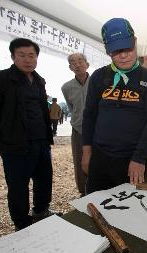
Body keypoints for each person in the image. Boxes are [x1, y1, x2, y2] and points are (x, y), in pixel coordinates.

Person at [0, 38, 58, 230]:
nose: (27, 59)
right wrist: (4, 135)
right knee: (18, 187)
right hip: (15, 146)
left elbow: (41, 110)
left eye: (32, 55)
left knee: (44, 179)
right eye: (21, 55)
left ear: (37, 58)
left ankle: (41, 210)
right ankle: (22, 223)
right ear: (13, 57)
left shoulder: (39, 81)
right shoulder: (0, 79)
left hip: (41, 142)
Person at [82, 18, 147, 193]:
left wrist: (139, 158)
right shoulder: (98, 76)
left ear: (134, 42)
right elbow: (89, 115)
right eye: (116, 51)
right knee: (94, 206)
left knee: (130, 211)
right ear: (108, 51)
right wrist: (87, 152)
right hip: (99, 157)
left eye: (127, 48)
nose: (123, 55)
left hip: (131, 160)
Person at [62, 53, 90, 196]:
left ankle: (98, 188)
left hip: (97, 130)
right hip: (78, 130)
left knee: (98, 159)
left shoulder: (97, 82)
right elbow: (72, 108)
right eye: (73, 62)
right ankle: (83, 191)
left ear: (87, 64)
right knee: (80, 162)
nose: (77, 64)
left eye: (80, 61)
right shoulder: (66, 87)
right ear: (70, 67)